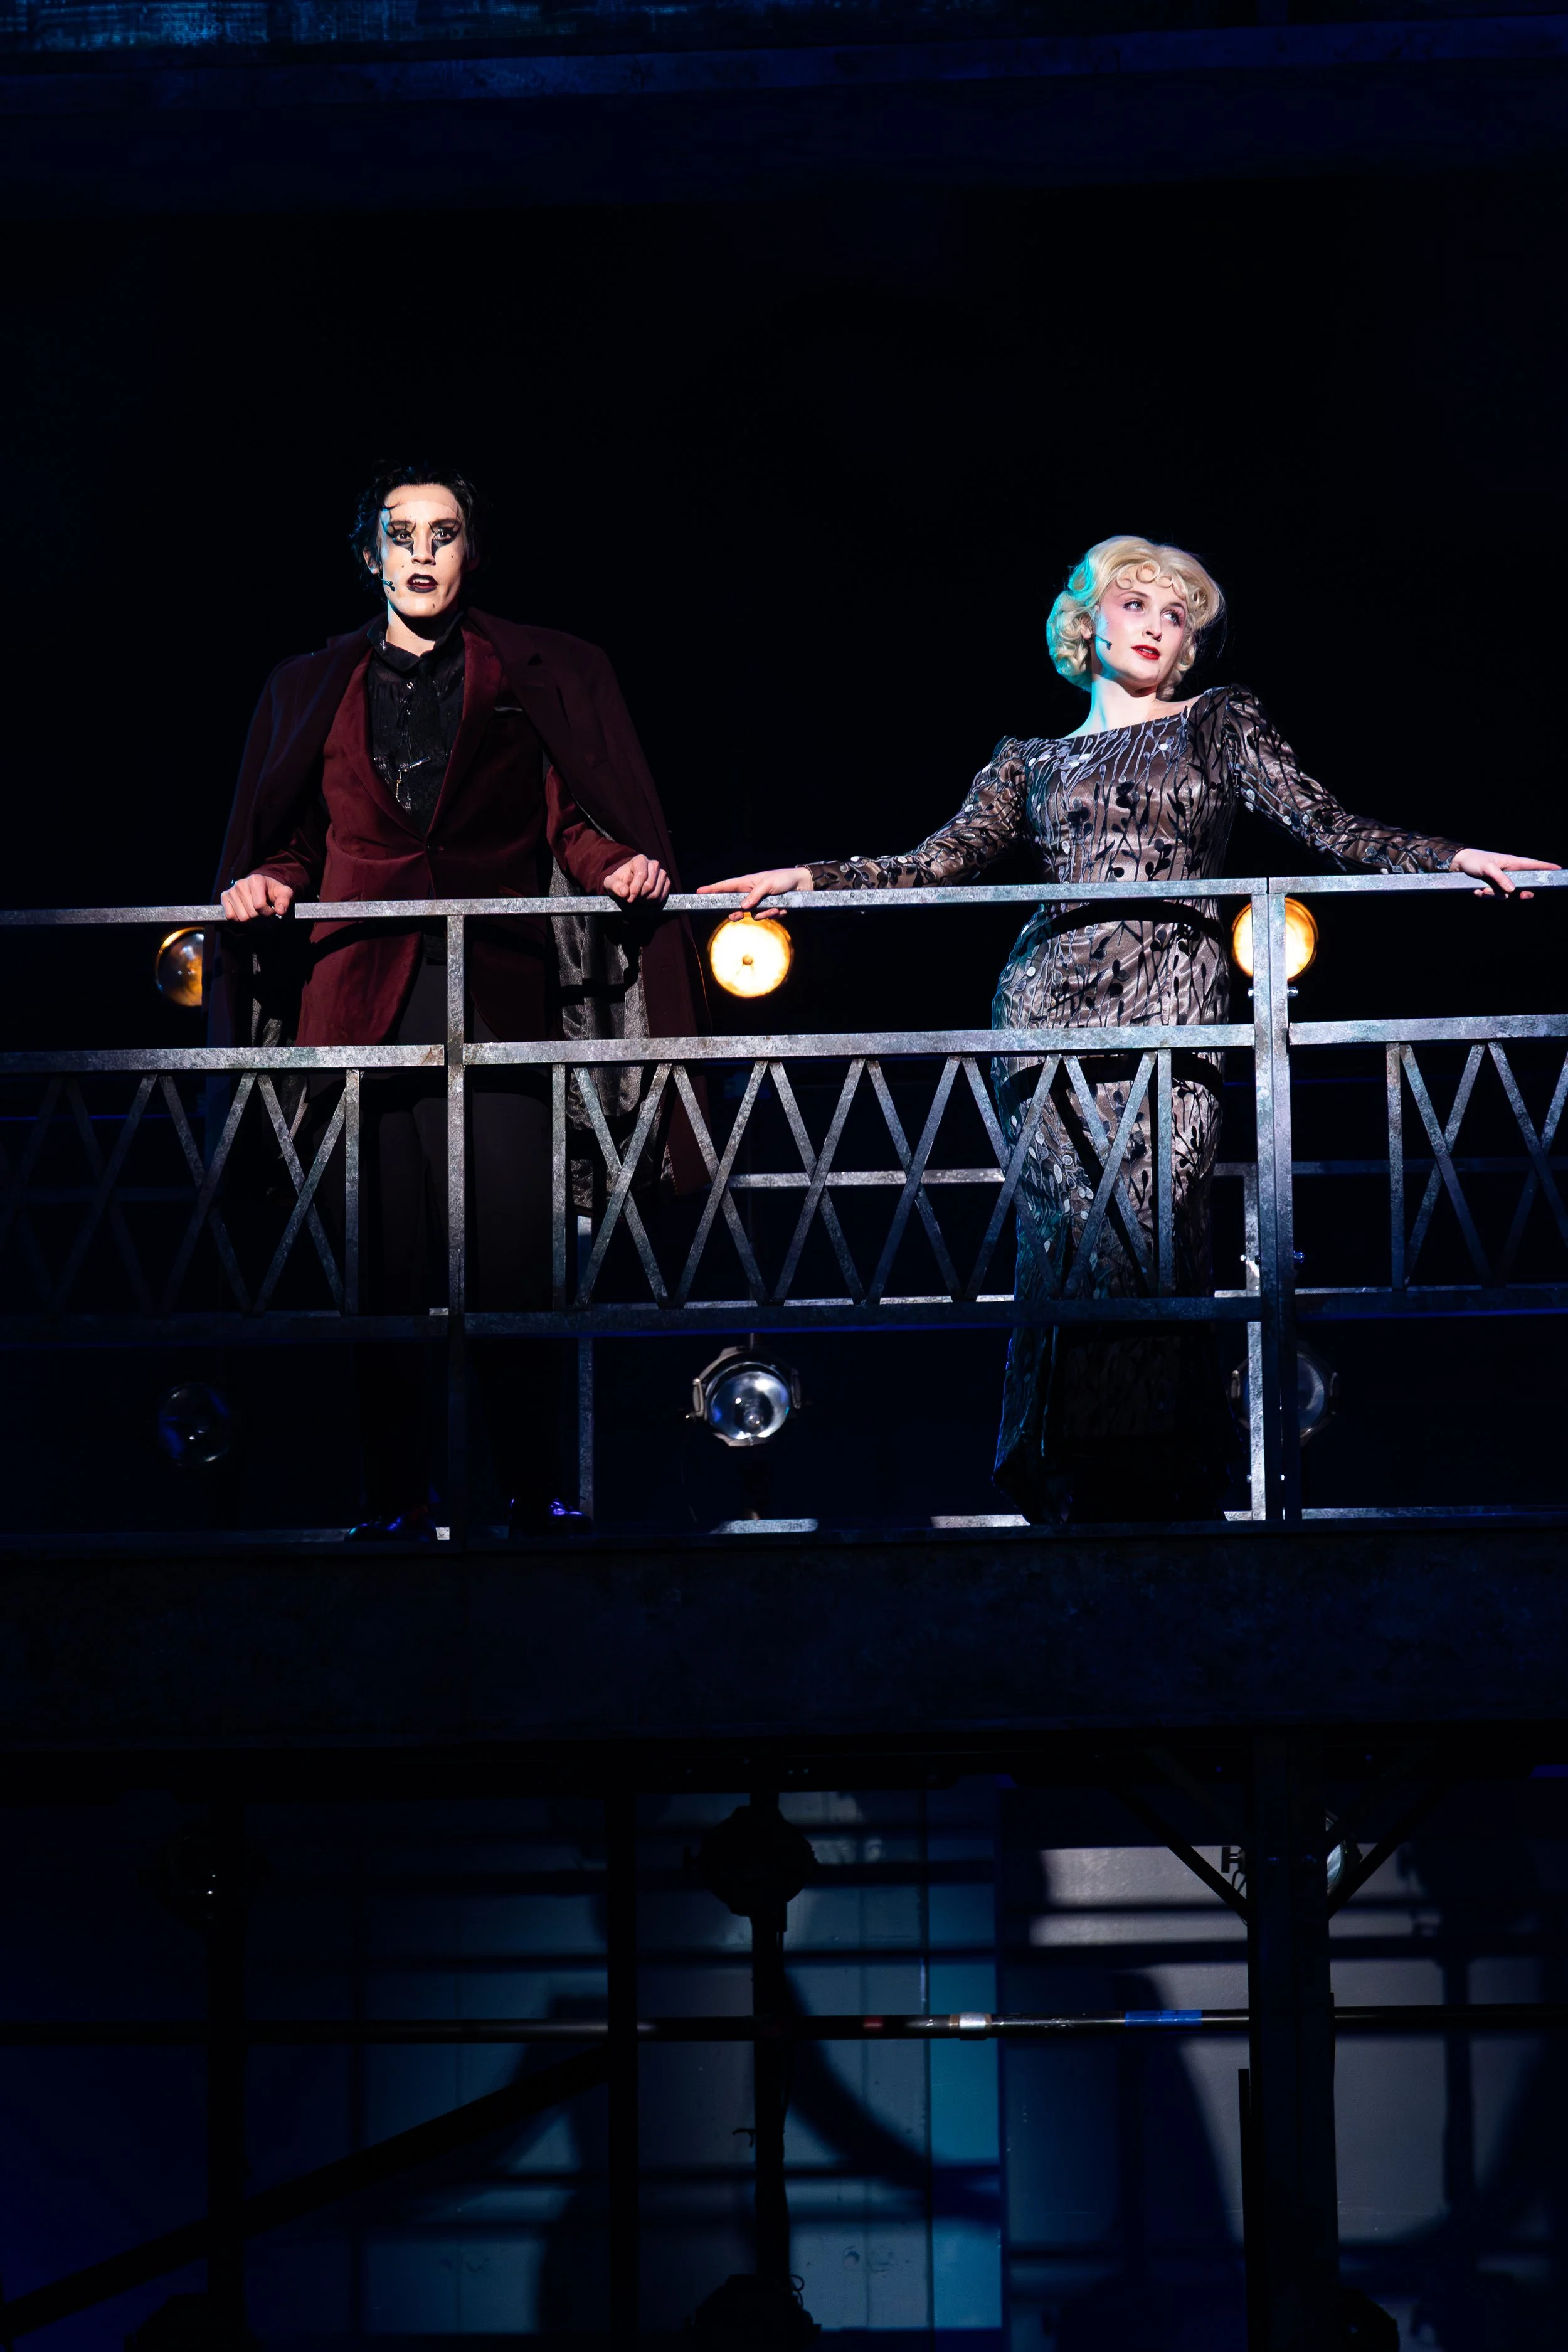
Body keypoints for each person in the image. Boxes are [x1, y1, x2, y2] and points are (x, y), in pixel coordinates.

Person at [699, 534, 1555, 1523]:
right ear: (1087, 622)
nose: (1156, 625)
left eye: (1176, 614)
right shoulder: (1028, 761)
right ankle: (1070, 1479)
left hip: (1173, 1004)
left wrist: (1451, 856)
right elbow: (928, 864)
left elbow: (1327, 824)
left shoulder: (1220, 724)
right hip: (1046, 1009)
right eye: (1135, 603)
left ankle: (1163, 1470)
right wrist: (807, 879)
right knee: (1068, 1236)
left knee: (1155, 1226)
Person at [214, 462, 706, 1539]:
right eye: (402, 533)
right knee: (385, 1269)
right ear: (369, 555)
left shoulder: (524, 672)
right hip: (363, 994)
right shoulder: (316, 685)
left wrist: (617, 858)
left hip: (501, 990)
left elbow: (568, 816)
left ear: (469, 554)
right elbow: (295, 836)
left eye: (443, 534)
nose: (423, 553)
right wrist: (272, 881)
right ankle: (395, 1498)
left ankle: (534, 1488)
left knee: (518, 1256)